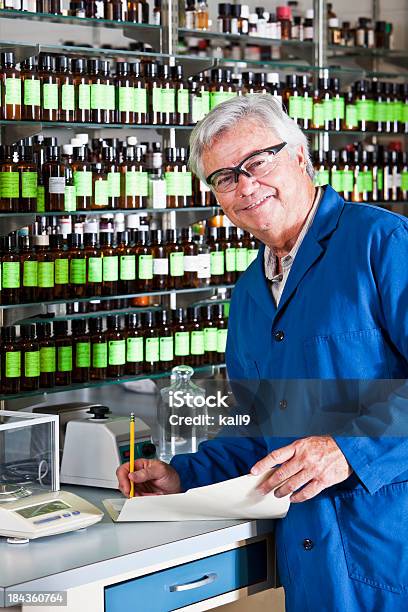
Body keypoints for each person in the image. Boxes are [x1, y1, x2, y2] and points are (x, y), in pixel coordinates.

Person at [117, 94, 408, 611]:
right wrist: (185, 475)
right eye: (225, 177)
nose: (245, 185)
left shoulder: (381, 242)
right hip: (315, 564)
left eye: (257, 162)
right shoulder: (251, 292)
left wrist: (348, 449)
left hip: (390, 548)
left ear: (299, 155)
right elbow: (259, 427)